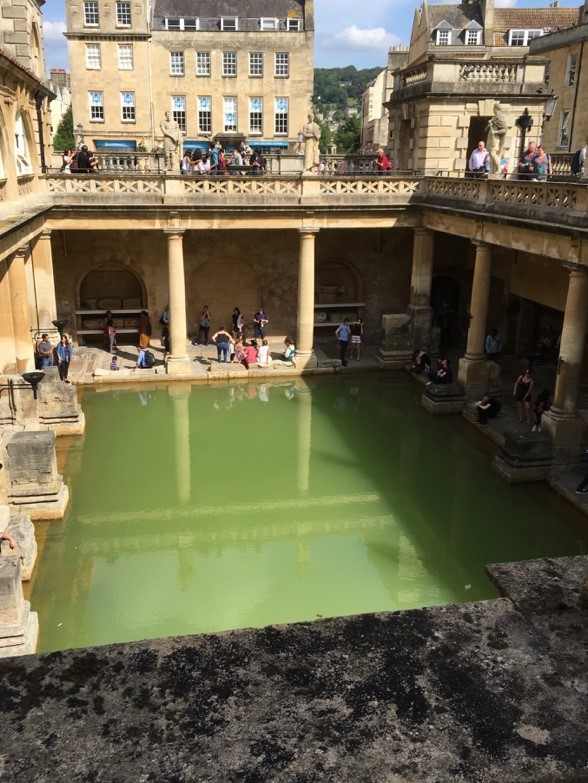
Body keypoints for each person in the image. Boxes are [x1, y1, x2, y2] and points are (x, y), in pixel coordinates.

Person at [485, 102, 508, 174]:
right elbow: (485, 130)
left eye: (494, 108)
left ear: (496, 109)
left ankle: (499, 168)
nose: (493, 110)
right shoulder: (493, 118)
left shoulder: (500, 117)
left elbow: (504, 130)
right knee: (491, 155)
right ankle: (491, 170)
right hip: (490, 138)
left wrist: (495, 132)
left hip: (495, 139)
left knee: (493, 153)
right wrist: (489, 124)